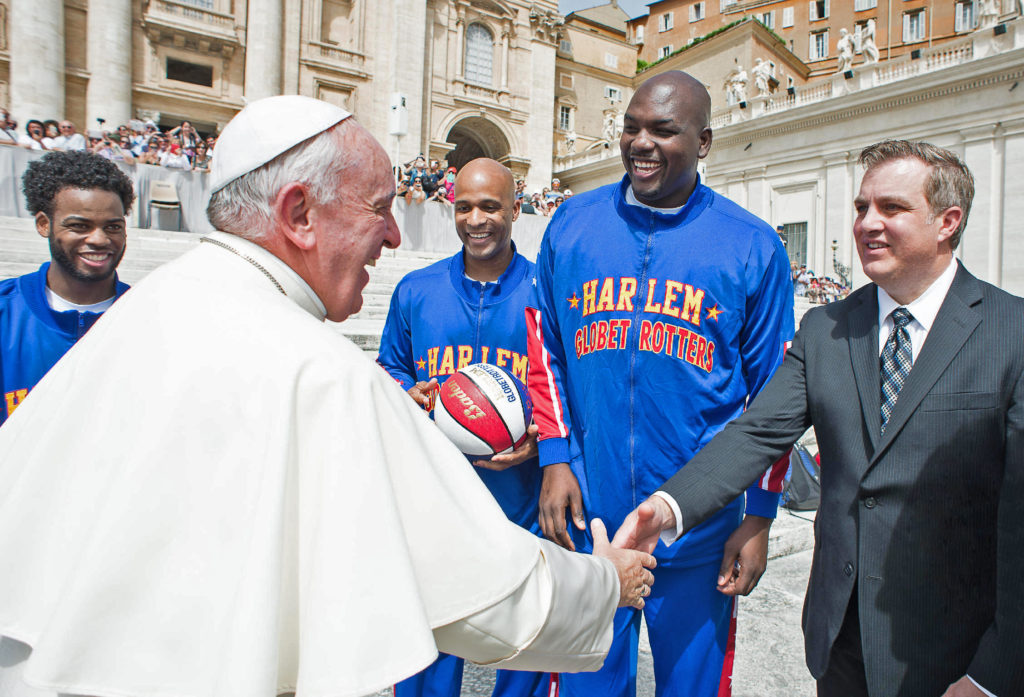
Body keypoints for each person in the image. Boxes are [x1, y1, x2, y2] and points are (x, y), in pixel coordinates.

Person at [0, 95, 656, 697]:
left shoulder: (143, 312)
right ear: (298, 213)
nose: (397, 235)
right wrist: (607, 583)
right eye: (378, 208)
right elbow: (480, 593)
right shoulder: (320, 372)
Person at [614, 140, 1024, 697]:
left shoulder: (1012, 334)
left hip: (957, 653)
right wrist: (667, 507)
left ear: (947, 221)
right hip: (841, 640)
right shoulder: (826, 330)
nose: (867, 224)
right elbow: (757, 432)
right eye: (861, 208)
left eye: (891, 208)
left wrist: (993, 674)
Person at [526, 70, 793, 697]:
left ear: (703, 142)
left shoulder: (751, 246)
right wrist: (557, 457)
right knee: (588, 684)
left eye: (663, 130)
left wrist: (757, 517)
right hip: (593, 519)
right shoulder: (573, 224)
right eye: (632, 126)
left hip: (700, 527)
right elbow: (545, 350)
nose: (640, 143)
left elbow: (775, 401)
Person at [380, 157, 552, 697]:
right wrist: (406, 393)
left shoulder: (547, 292)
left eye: (490, 207)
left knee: (522, 652)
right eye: (464, 207)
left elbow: (569, 385)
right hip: (436, 503)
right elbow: (390, 368)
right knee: (426, 656)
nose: (476, 219)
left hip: (520, 505)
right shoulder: (416, 290)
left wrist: (540, 437)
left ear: (516, 209)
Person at [0, 149, 133, 426]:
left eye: (112, 227)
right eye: (79, 226)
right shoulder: (6, 312)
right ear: (44, 224)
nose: (98, 239)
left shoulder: (150, 314)